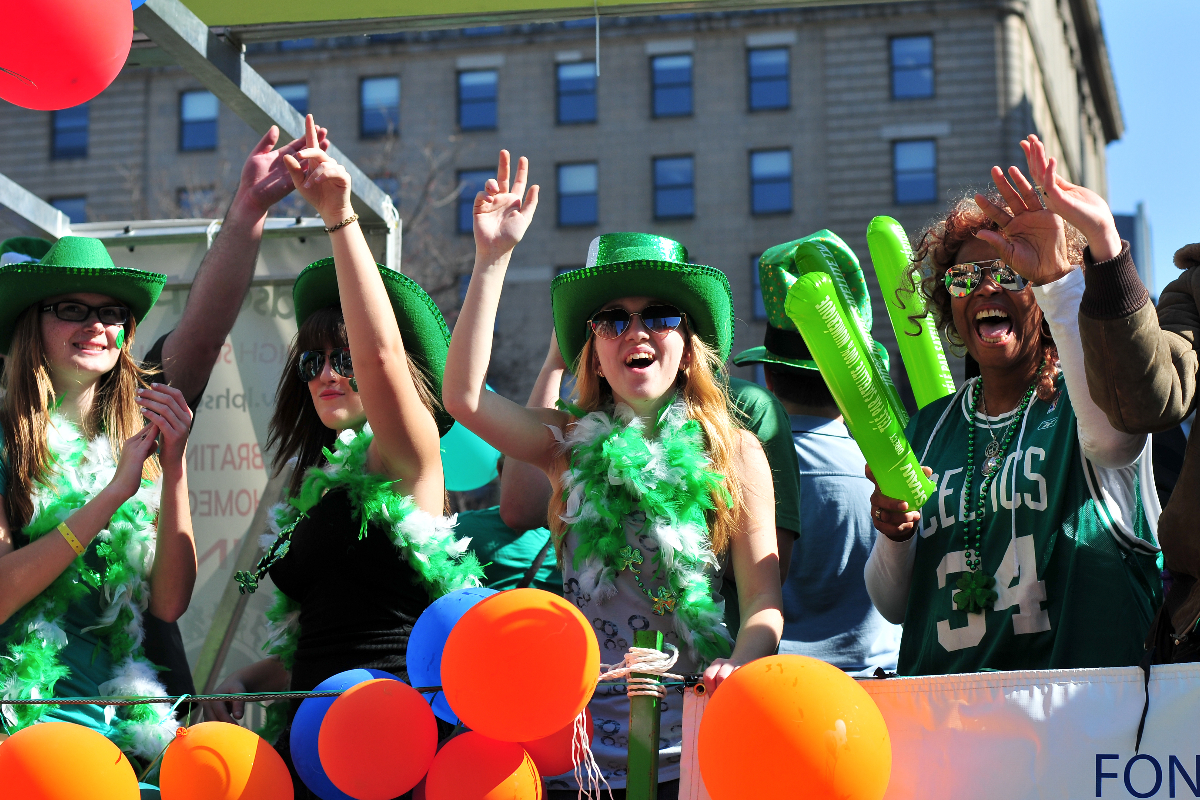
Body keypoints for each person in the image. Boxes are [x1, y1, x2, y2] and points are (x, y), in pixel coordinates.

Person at [443, 151, 783, 799]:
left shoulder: (734, 452)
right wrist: (491, 261)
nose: (635, 330)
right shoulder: (565, 444)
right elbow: (462, 397)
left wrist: (739, 665)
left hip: (693, 750)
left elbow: (764, 601)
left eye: (658, 315)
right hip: (576, 762)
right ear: (594, 349)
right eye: (612, 319)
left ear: (687, 347)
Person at [201, 117, 482, 789]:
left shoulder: (405, 458)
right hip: (313, 745)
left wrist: (338, 215)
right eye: (315, 360)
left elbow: (384, 358)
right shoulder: (315, 485)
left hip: (397, 744)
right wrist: (250, 677)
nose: (331, 371)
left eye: (345, 357)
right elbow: (325, 633)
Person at [863, 148, 1162, 676]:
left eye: (1009, 271)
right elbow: (892, 605)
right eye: (964, 277)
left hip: (1083, 727)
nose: (985, 286)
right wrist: (895, 536)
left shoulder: (1093, 399)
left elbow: (1113, 442)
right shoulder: (929, 428)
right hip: (953, 724)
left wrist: (1057, 281)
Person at [0, 237, 196, 762]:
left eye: (112, 314)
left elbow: (169, 604)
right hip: (32, 725)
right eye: (72, 310)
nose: (96, 326)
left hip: (123, 734)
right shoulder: (5, 442)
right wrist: (111, 497)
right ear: (31, 325)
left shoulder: (137, 448)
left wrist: (172, 465)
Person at [732, 238, 902, 674]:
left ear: (768, 374)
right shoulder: (897, 471)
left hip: (774, 690)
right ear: (852, 378)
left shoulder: (732, 470)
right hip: (885, 689)